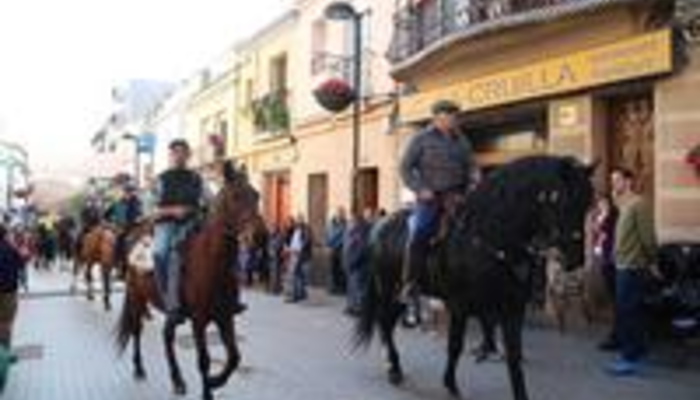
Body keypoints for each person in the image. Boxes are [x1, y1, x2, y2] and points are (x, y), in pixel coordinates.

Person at [399, 99, 476, 323]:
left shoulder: (462, 140)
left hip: (457, 197)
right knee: (421, 231)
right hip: (430, 197)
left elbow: (471, 165)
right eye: (450, 116)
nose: (454, 120)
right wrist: (420, 189)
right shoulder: (421, 139)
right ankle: (410, 283)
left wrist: (474, 179)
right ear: (437, 117)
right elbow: (405, 168)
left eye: (455, 116)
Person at [152, 139, 244, 325]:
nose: (180, 156)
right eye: (176, 152)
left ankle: (230, 298)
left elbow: (211, 200)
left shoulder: (196, 179)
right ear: (170, 155)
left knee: (225, 249)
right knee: (160, 253)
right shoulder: (160, 179)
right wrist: (172, 210)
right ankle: (168, 301)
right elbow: (150, 210)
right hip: (167, 225)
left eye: (183, 152)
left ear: (188, 155)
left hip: (193, 223)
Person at [605, 167, 658, 376]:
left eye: (617, 180)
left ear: (628, 181)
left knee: (628, 312)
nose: (613, 184)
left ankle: (630, 358)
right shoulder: (623, 204)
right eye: (612, 180)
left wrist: (653, 262)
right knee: (627, 311)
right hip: (621, 265)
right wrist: (615, 195)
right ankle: (639, 350)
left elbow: (648, 238)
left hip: (633, 267)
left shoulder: (639, 204)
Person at [107, 184, 143, 278]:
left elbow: (142, 213)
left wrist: (140, 218)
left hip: (136, 227)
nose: (129, 194)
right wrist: (112, 224)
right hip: (122, 228)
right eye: (127, 192)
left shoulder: (138, 202)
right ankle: (119, 266)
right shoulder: (117, 203)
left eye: (130, 192)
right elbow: (106, 215)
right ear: (124, 193)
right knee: (119, 243)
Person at [0, 224, 25, 359]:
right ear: (5, 234)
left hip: (8, 290)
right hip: (8, 292)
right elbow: (22, 263)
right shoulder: (10, 248)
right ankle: (5, 354)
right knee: (6, 324)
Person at [342, 208, 372, 315]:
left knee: (358, 287)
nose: (349, 222)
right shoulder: (350, 231)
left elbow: (361, 249)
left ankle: (359, 308)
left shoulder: (361, 232)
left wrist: (353, 262)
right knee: (350, 287)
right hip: (349, 263)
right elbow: (346, 248)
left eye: (351, 220)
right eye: (349, 221)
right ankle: (351, 306)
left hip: (358, 265)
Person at [285, 214, 313, 303]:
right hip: (295, 254)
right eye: (298, 219)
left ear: (303, 220)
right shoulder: (297, 229)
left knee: (297, 275)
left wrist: (299, 249)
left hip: (302, 255)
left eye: (300, 219)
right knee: (297, 275)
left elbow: (307, 241)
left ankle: (296, 295)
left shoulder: (306, 229)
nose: (298, 221)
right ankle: (299, 294)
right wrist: (290, 248)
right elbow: (293, 240)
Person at [325, 207, 347, 295]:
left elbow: (345, 237)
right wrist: (327, 246)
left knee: (341, 269)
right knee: (332, 269)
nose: (340, 215)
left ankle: (341, 288)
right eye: (339, 213)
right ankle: (332, 287)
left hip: (341, 249)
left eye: (342, 213)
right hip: (332, 249)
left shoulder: (346, 224)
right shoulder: (330, 223)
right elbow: (327, 235)